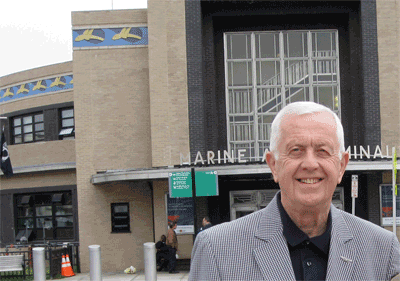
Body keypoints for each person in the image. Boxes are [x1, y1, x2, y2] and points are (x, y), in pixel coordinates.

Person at [189, 101, 400, 280]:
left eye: (323, 151)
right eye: (296, 150)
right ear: (273, 165)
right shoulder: (216, 249)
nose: (310, 163)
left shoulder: (382, 249)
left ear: (341, 166)